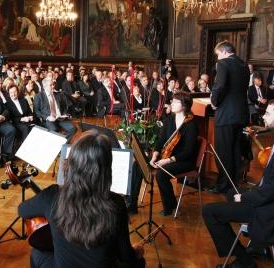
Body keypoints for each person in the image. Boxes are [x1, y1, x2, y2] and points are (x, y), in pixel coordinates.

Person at [18, 131, 145, 268]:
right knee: (139, 262)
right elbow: (126, 257)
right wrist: (136, 252)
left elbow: (22, 210)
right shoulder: (116, 204)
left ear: (71, 162)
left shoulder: (52, 196)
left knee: (37, 253)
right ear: (106, 169)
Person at [203, 98, 274, 268]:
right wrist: (244, 194)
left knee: (210, 212)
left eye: (268, 113)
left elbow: (272, 191)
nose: (263, 116)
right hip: (273, 198)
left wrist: (246, 198)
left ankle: (244, 261)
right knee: (232, 193)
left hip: (271, 207)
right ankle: (258, 246)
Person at [147, 92, 198, 215]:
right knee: (138, 164)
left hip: (184, 160)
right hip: (166, 156)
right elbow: (161, 141)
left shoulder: (191, 124)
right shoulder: (169, 119)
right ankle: (132, 203)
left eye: (175, 102)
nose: (172, 104)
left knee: (161, 175)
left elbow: (188, 151)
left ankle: (169, 207)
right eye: (172, 101)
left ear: (184, 105)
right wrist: (155, 155)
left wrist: (168, 160)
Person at [210, 41, 249, 194]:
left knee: (223, 151)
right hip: (240, 114)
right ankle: (233, 182)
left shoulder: (223, 64)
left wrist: (214, 101)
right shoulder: (244, 65)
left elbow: (220, 86)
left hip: (226, 114)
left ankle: (223, 185)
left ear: (224, 52)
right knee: (235, 149)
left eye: (218, 54)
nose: (218, 58)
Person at [33, 78, 76, 142]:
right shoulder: (39, 96)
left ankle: (63, 142)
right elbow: (36, 111)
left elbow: (63, 107)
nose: (53, 86)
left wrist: (65, 114)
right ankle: (57, 143)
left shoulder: (57, 94)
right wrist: (47, 117)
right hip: (49, 119)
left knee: (72, 128)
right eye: (51, 85)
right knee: (54, 130)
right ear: (45, 87)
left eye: (53, 84)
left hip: (60, 117)